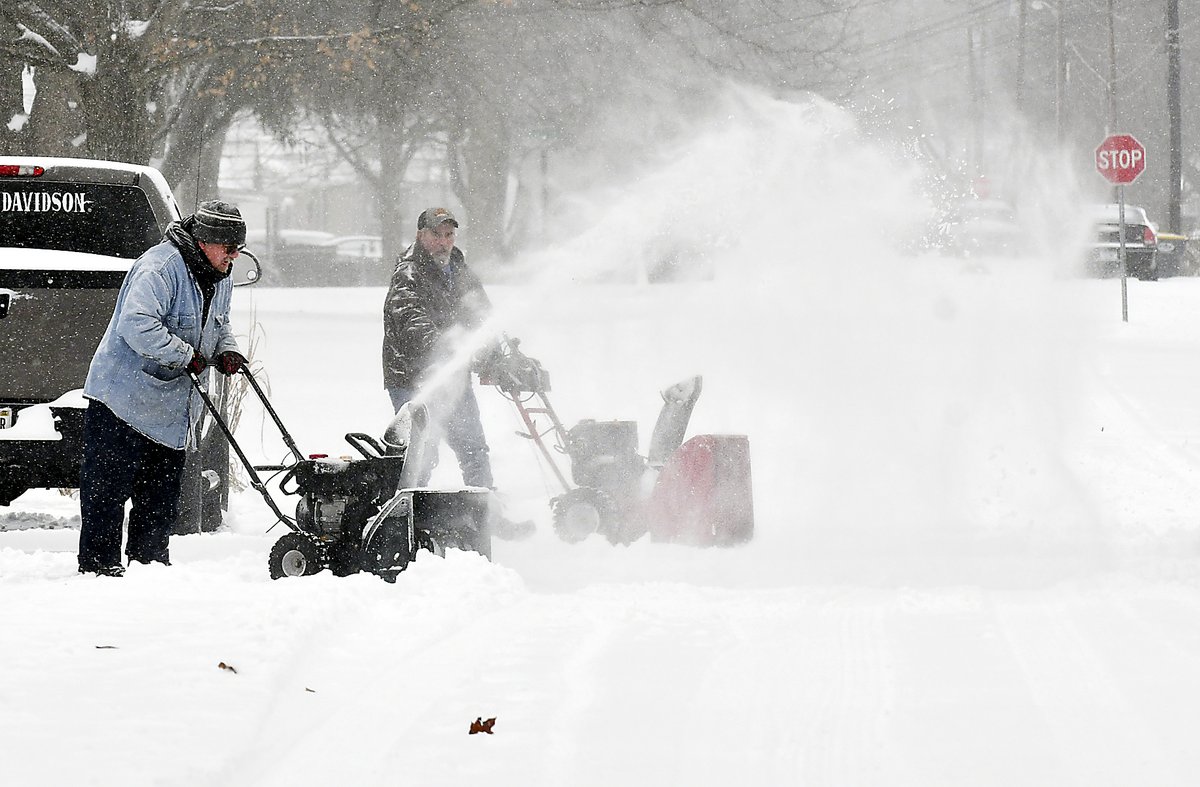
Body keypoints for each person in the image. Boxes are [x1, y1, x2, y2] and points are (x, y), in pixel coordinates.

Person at [77, 200, 249, 576]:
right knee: (107, 493)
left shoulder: (221, 275)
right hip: (122, 399)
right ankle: (99, 568)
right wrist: (186, 355)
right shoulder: (160, 267)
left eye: (238, 249)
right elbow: (137, 324)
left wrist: (227, 349)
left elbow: (218, 323)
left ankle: (149, 566)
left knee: (158, 498)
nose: (234, 257)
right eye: (228, 248)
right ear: (204, 240)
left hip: (170, 408)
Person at [382, 207, 531, 538]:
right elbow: (409, 320)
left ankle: (487, 516)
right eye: (436, 234)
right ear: (421, 235)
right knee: (422, 453)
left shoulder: (460, 269)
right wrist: (444, 348)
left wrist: (495, 357)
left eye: (449, 235)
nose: (444, 241)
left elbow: (482, 317)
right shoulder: (409, 273)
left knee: (473, 445)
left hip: (454, 377)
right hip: (411, 379)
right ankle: (400, 521)